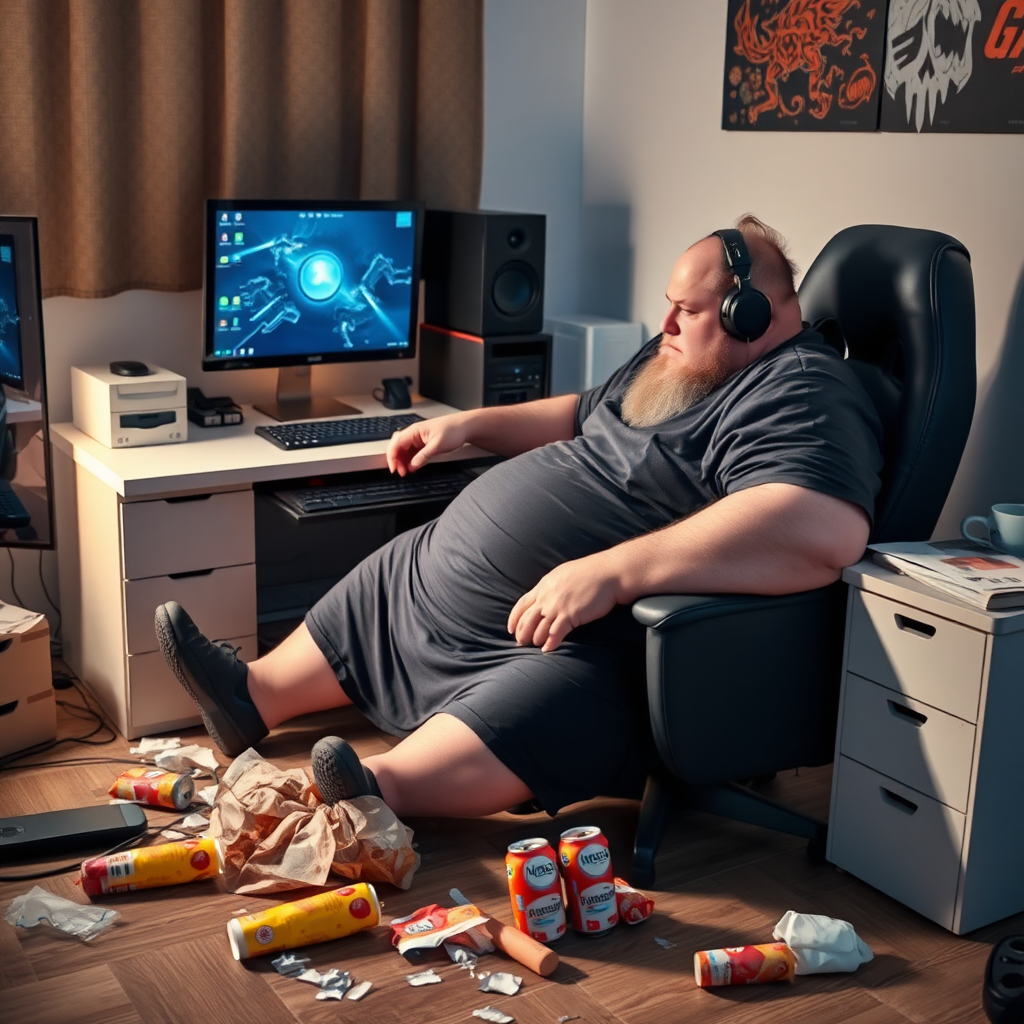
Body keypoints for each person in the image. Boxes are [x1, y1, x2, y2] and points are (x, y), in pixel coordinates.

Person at [156, 215, 883, 821]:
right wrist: (469, 426)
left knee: (556, 697)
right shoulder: (687, 358)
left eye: (685, 311)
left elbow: (821, 528)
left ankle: (385, 791)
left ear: (749, 316)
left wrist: (612, 571)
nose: (663, 322)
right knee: (396, 570)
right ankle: (252, 696)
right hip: (477, 583)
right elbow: (579, 414)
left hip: (588, 639)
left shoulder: (801, 389)